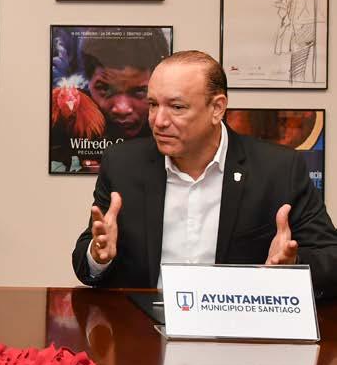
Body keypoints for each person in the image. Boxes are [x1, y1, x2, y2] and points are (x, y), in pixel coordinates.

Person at [72, 51, 337, 295]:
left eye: (177, 107)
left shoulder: (278, 169)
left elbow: (330, 257)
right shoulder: (123, 164)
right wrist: (98, 257)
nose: (158, 121)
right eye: (153, 104)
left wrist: (293, 266)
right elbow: (87, 260)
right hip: (143, 323)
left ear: (217, 108)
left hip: (237, 323)